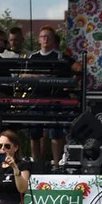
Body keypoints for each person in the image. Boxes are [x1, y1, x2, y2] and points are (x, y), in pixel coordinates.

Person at [28, 26, 69, 171]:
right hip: (36, 98)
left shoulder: (59, 56)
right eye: (43, 36)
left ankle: (56, 164)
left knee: (55, 133)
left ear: (53, 40)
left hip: (54, 99)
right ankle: (36, 163)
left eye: (48, 37)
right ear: (39, 39)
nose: (45, 39)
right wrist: (40, 77)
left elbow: (65, 74)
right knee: (34, 133)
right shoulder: (33, 57)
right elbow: (24, 74)